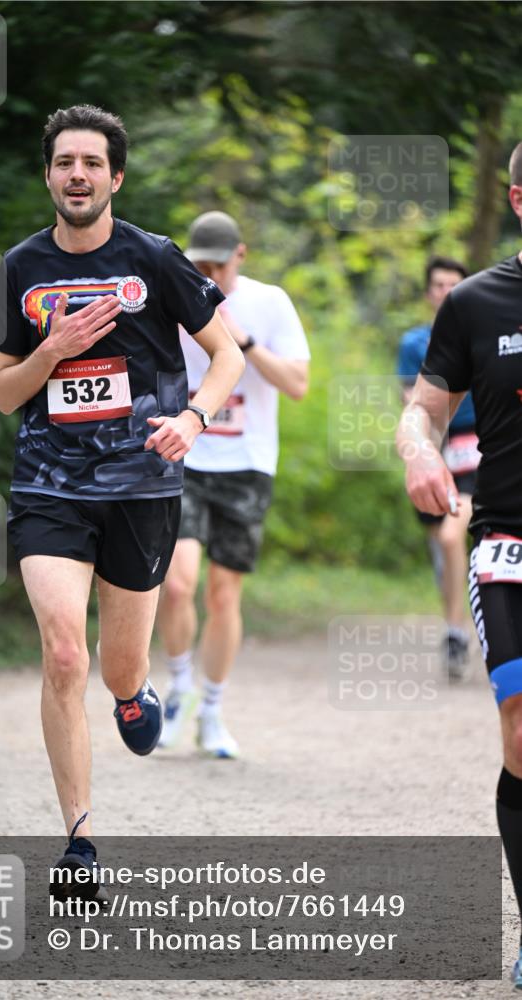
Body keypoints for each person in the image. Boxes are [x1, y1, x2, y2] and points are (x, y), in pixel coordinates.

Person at [0, 107, 244, 888]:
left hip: (140, 486)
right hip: (49, 484)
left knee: (116, 665)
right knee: (64, 652)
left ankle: (133, 695)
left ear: (114, 177)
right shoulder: (21, 266)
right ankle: (78, 843)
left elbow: (226, 353)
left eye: (91, 163)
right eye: (64, 162)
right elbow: (3, 393)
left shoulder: (155, 258)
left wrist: (195, 418)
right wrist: (54, 350)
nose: (77, 174)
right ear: (48, 176)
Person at [396, 142, 522, 989]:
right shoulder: (475, 303)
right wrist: (417, 451)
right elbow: (422, 410)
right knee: (521, 735)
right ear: (516, 196)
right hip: (508, 543)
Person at [156, 211, 310, 758]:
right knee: (177, 583)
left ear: (239, 256)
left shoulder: (269, 303)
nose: (209, 275)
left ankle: (213, 710)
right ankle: (178, 690)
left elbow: (297, 384)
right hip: (186, 457)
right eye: (200, 265)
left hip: (247, 466)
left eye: (218, 266)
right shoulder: (172, 299)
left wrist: (244, 343)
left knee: (224, 595)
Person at [397, 255, 477, 677]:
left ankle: (456, 632)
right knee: (442, 545)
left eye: (454, 285)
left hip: (480, 445)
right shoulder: (414, 343)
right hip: (433, 448)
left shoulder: (488, 327)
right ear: (429, 292)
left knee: (451, 537)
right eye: (439, 285)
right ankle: (461, 620)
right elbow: (415, 404)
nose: (446, 292)